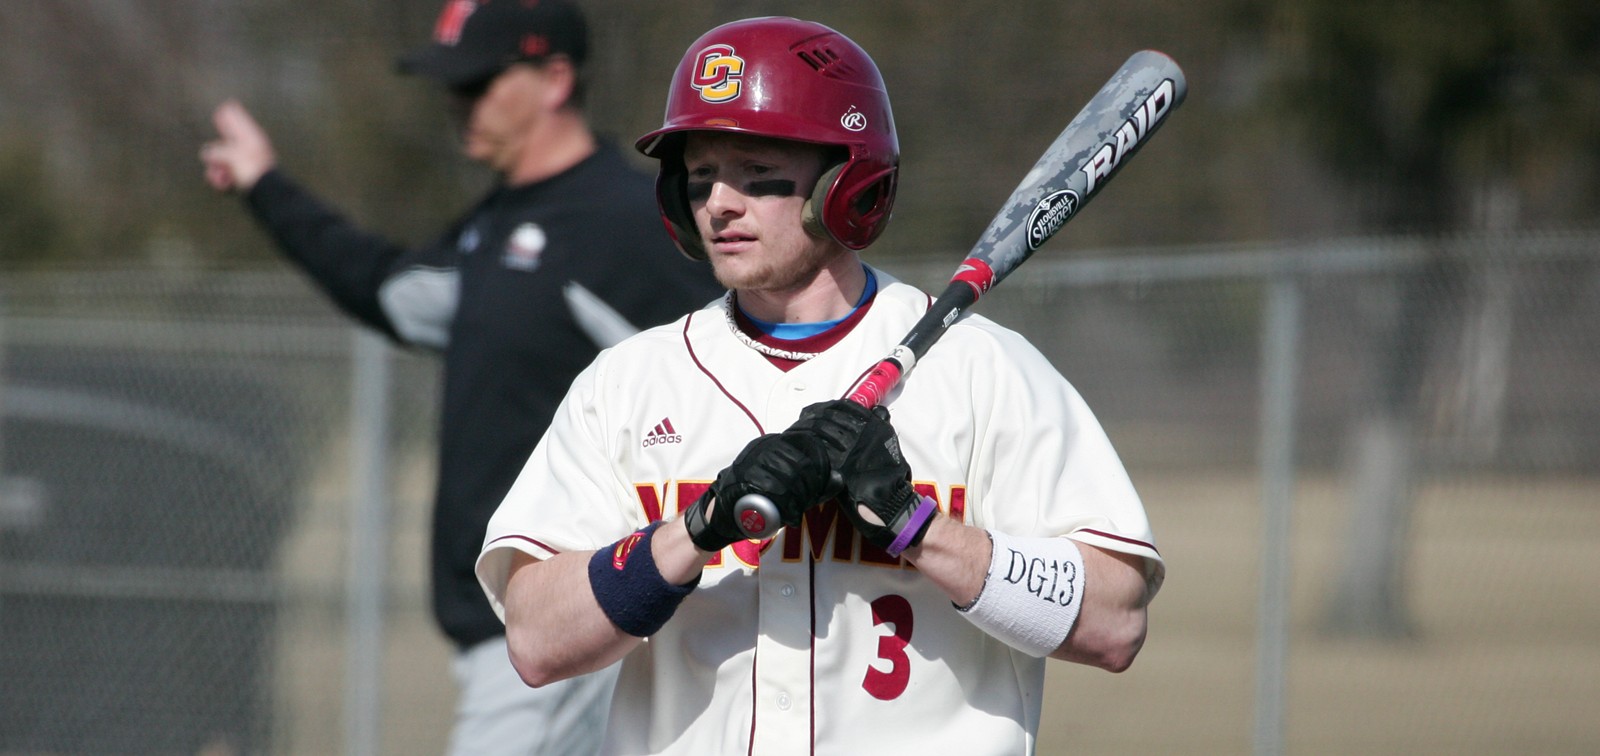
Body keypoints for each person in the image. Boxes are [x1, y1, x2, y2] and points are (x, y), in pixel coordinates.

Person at [474, 16, 1163, 755]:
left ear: (847, 184)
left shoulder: (982, 371)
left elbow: (1114, 621)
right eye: (700, 177)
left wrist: (915, 528)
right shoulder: (629, 384)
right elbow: (536, 638)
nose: (719, 204)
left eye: (756, 172)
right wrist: (700, 528)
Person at [199, 1, 721, 753]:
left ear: (555, 78)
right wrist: (266, 185)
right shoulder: (495, 224)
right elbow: (392, 291)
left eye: (478, 84)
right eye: (452, 86)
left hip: (585, 617)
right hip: (510, 632)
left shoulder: (625, 220)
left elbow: (734, 375)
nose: (458, 104)